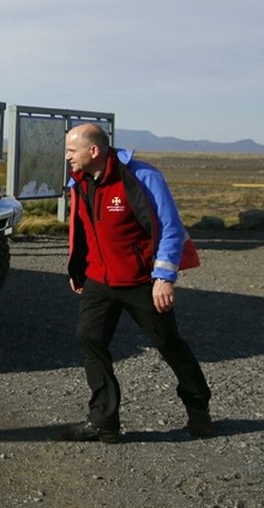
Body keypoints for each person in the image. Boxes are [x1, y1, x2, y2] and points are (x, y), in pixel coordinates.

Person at [61, 123, 212, 443]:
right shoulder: (80, 181)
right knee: (90, 338)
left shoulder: (142, 177)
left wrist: (163, 278)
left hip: (143, 281)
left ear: (94, 151)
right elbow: (84, 230)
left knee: (167, 343)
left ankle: (198, 409)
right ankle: (104, 420)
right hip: (99, 281)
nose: (67, 158)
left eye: (71, 151)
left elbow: (170, 229)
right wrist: (79, 271)